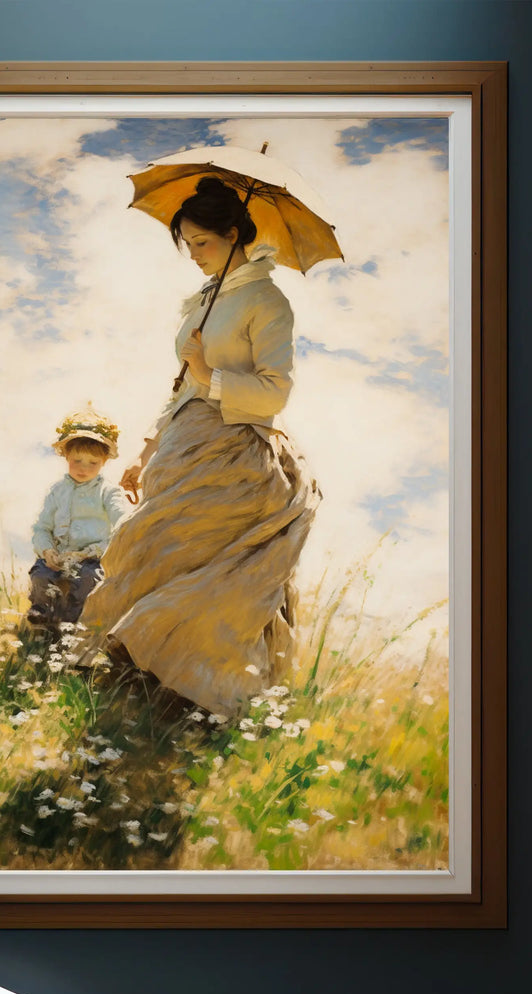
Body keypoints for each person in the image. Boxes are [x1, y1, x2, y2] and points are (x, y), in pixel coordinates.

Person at [79, 176, 321, 715]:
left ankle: (198, 697)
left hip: (232, 452)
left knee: (200, 566)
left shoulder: (267, 300)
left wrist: (209, 374)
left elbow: (275, 390)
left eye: (201, 243)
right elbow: (181, 386)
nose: (193, 256)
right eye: (187, 245)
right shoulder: (206, 301)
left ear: (234, 234)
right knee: (147, 550)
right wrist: (146, 451)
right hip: (182, 446)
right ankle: (137, 688)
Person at [27, 407, 128, 632]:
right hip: (59, 555)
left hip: (90, 557)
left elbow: (122, 524)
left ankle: (73, 619)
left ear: (104, 461)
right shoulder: (57, 490)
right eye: (77, 461)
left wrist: (87, 553)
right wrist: (47, 551)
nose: (83, 468)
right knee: (41, 573)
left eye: (92, 463)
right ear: (66, 457)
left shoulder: (108, 492)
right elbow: (42, 528)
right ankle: (43, 611)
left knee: (89, 578)